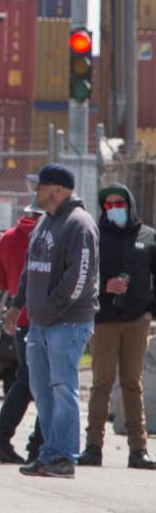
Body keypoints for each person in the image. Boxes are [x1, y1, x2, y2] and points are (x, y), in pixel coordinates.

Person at [6, 164, 99, 479]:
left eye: (40, 185)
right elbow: (29, 270)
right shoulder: (45, 222)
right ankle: (49, 453)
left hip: (67, 323)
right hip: (39, 323)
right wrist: (16, 305)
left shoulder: (79, 224)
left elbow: (79, 278)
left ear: (57, 190)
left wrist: (50, 309)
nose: (36, 191)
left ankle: (63, 456)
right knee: (41, 389)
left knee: (62, 388)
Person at [80, 184, 156, 470]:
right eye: (108, 204)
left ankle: (139, 450)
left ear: (130, 204)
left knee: (132, 384)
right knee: (101, 383)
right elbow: (83, 273)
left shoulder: (148, 237)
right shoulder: (94, 236)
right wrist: (105, 287)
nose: (115, 208)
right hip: (103, 320)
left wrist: (150, 312)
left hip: (137, 321)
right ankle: (93, 447)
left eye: (119, 203)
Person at [0, 207, 45, 464]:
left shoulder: (7, 237)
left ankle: (3, 438)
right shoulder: (52, 236)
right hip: (47, 319)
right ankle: (36, 444)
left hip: (19, 319)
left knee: (28, 380)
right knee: (48, 383)